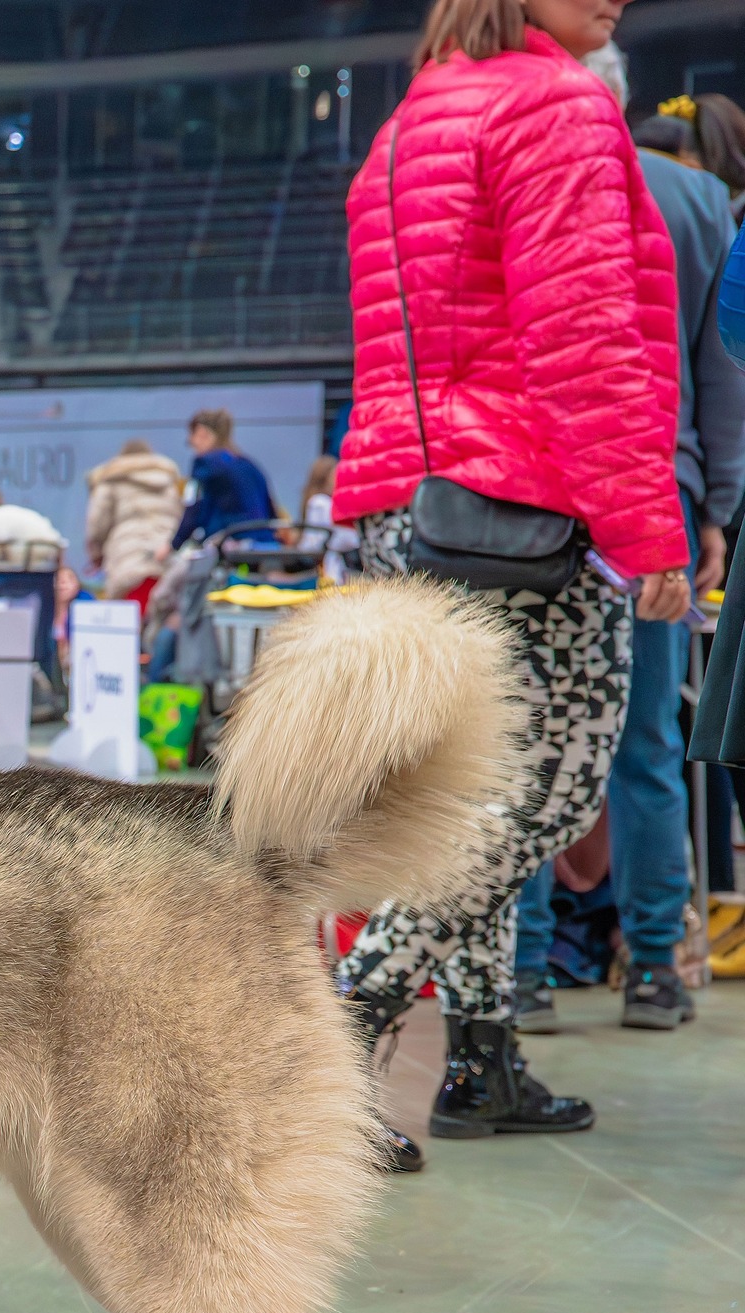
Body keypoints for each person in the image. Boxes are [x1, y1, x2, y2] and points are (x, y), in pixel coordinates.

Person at [332, 0, 689, 1165]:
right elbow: (584, 338)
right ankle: (327, 1046)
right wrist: (646, 531)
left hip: (405, 500)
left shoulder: (412, 116)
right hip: (519, 508)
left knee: (465, 792)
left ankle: (479, 1060)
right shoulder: (554, 106)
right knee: (543, 788)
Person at [515, 43, 744, 1034]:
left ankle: (522, 970)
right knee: (645, 743)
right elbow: (721, 365)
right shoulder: (698, 200)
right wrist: (714, 506)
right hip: (658, 490)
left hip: (531, 499)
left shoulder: (524, 173)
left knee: (524, 739)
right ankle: (653, 966)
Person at [0, 485, 69, 691]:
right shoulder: (20, 515)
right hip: (43, 575)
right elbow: (58, 544)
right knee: (43, 633)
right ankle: (48, 677)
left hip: (11, 577)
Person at [83, 437, 182, 611]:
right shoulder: (168, 482)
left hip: (127, 558)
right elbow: (179, 517)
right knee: (159, 615)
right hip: (164, 556)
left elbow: (96, 525)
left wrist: (96, 554)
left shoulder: (111, 480)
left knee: (129, 619)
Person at [165, 408, 276, 553]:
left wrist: (173, 545)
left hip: (230, 549)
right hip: (264, 547)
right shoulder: (250, 466)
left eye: (192, 441)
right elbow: (271, 509)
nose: (193, 447)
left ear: (202, 433)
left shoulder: (204, 465)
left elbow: (193, 508)